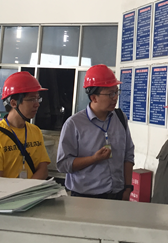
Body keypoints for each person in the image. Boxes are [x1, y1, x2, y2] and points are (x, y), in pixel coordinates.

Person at [57, 65, 135, 200]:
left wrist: (128, 189)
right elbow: (63, 164)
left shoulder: (120, 118)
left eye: (116, 92)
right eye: (110, 94)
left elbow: (128, 154)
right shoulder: (74, 124)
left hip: (117, 196)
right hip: (85, 199)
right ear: (94, 97)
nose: (115, 98)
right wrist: (94, 159)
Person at [0, 72, 50, 179]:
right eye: (31, 99)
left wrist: (28, 188)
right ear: (13, 103)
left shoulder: (35, 131)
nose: (37, 104)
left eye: (38, 99)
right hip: (6, 190)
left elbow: (43, 170)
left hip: (33, 189)